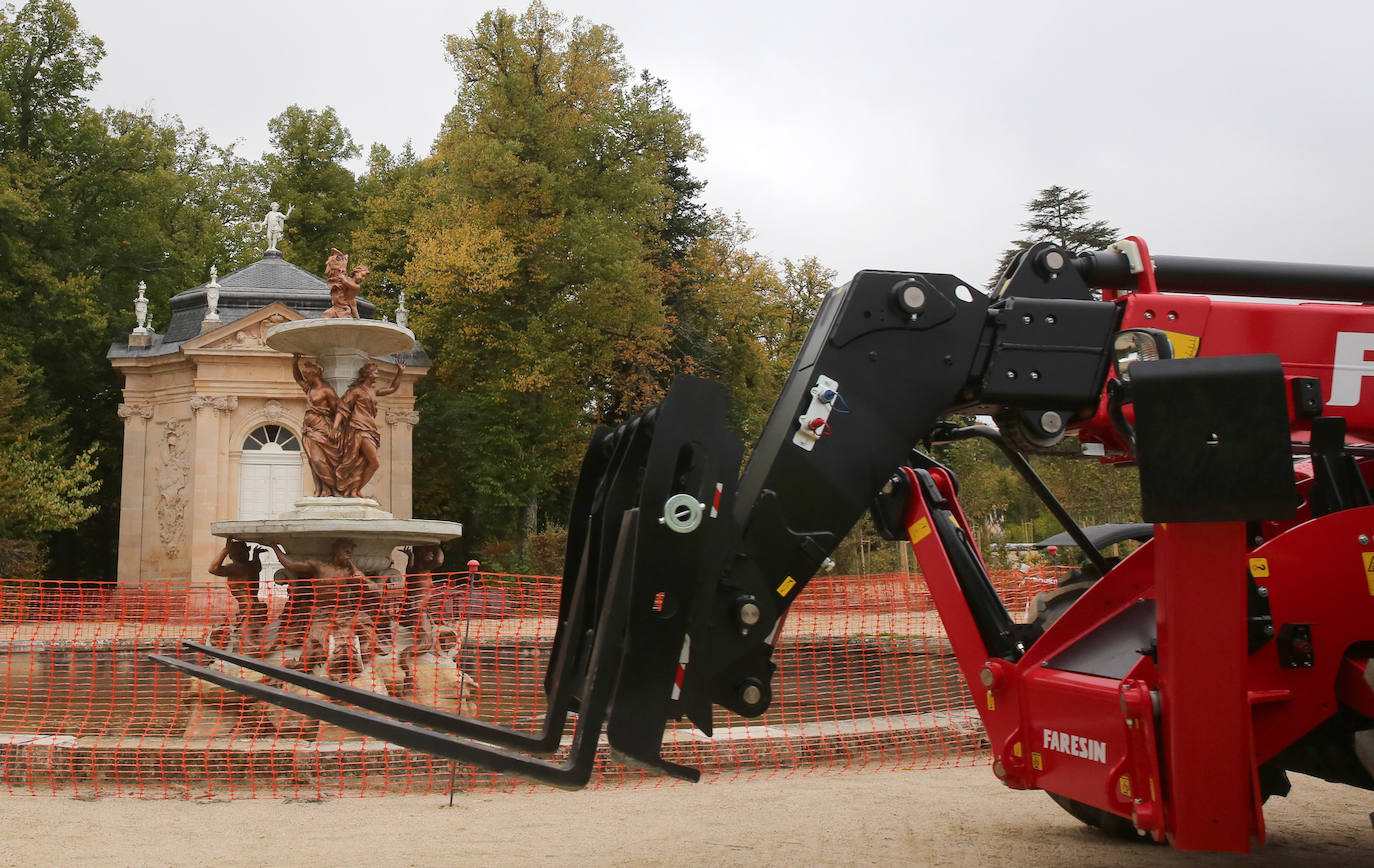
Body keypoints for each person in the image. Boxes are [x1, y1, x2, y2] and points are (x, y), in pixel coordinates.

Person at [334, 360, 405, 497]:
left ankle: (355, 489)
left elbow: (392, 389)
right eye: (375, 372)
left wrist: (400, 372)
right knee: (372, 462)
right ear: (368, 374)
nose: (377, 374)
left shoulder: (373, 391)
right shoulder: (356, 391)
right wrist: (335, 426)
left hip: (369, 428)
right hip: (358, 428)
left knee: (365, 461)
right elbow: (342, 408)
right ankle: (354, 489)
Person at [291, 354, 342, 496]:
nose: (305, 379)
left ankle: (336, 489)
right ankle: (321, 490)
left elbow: (339, 409)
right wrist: (294, 363)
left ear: (314, 375)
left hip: (322, 428)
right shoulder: (310, 388)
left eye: (307, 376)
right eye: (305, 376)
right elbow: (298, 379)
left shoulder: (327, 390)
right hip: (309, 430)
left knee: (318, 460)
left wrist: (336, 427)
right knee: (313, 462)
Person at [208, 539, 268, 652]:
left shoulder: (237, 568)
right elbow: (257, 567)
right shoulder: (251, 565)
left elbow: (213, 569)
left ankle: (272, 647)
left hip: (248, 609)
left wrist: (225, 549)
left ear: (230, 555)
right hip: (253, 606)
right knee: (251, 635)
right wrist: (256, 555)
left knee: (249, 644)